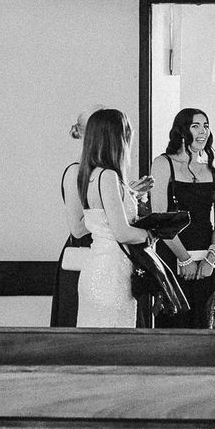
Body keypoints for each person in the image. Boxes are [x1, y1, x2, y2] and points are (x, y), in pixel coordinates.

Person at [150, 108, 215, 329]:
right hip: (172, 254)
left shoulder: (214, 167)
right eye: (196, 126)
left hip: (207, 259)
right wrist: (184, 259)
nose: (203, 131)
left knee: (205, 325)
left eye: (206, 126)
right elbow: (160, 218)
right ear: (182, 131)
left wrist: (212, 256)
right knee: (173, 325)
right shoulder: (163, 163)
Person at [74, 108, 152, 328]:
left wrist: (131, 195)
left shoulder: (89, 174)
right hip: (111, 275)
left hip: (96, 268)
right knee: (116, 341)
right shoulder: (108, 175)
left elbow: (101, 218)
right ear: (117, 138)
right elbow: (122, 232)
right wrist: (151, 234)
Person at [53, 104, 102, 327]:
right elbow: (77, 228)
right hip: (83, 258)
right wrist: (114, 210)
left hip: (107, 256)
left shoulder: (106, 171)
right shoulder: (75, 172)